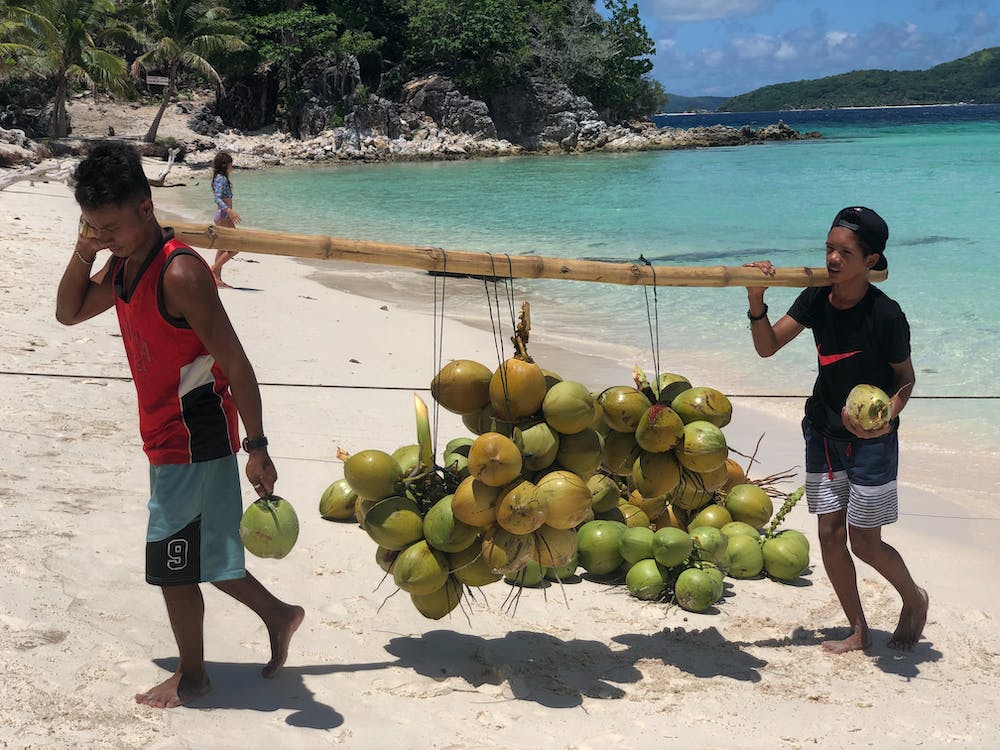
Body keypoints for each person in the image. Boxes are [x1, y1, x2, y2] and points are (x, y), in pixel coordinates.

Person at [56, 142, 303, 708]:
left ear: (146, 207)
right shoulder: (123, 264)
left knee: (172, 563)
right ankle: (281, 615)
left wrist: (259, 447)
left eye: (110, 226)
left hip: (194, 436)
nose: (104, 237)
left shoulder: (181, 272)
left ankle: (193, 677)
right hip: (164, 432)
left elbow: (236, 361)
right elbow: (68, 312)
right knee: (205, 556)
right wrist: (84, 248)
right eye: (93, 227)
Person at [744, 206, 928, 654]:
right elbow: (767, 348)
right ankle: (859, 629)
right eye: (829, 248)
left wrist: (884, 420)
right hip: (822, 432)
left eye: (845, 252)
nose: (832, 260)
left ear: (871, 260)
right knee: (829, 534)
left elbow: (905, 379)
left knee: (866, 541)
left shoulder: (886, 315)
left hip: (873, 442)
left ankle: (913, 597)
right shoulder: (815, 298)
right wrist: (756, 300)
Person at [210, 151, 241, 287]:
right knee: (235, 247)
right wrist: (229, 211)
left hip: (224, 216)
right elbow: (217, 198)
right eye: (230, 164)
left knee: (222, 248)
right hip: (224, 216)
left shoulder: (221, 178)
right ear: (226, 165)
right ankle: (213, 269)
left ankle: (217, 279)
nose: (232, 167)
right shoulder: (221, 179)